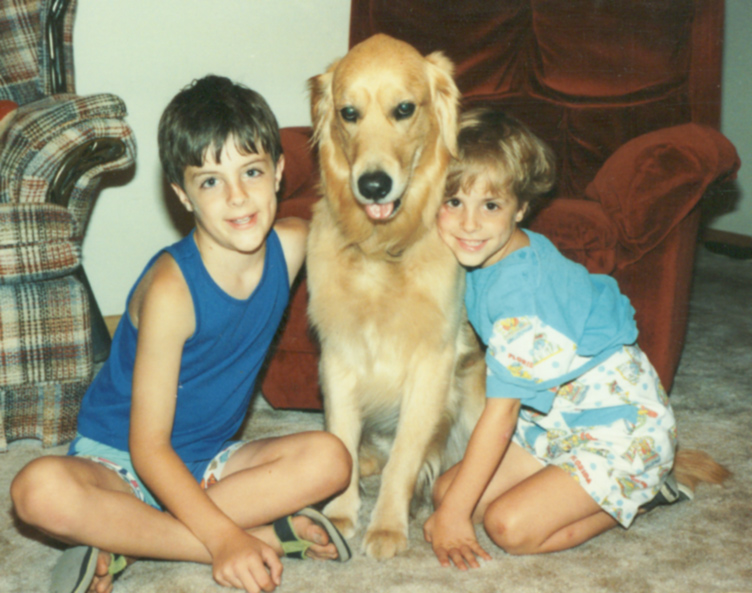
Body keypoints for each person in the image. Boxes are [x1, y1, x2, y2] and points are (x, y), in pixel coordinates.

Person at [11, 75, 352, 593]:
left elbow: (365, 245)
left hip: (209, 461)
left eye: (252, 171)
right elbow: (147, 449)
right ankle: (257, 536)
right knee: (36, 491)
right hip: (120, 460)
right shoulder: (173, 291)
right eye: (211, 181)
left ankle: (127, 540)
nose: (238, 197)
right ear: (183, 195)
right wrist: (223, 540)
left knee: (331, 460)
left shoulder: (293, 244)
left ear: (280, 172)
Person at [423, 108, 683, 570]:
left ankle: (643, 496)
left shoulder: (522, 301)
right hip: (551, 425)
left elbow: (500, 413)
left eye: (490, 205)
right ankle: (565, 485)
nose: (468, 224)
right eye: (453, 202)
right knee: (446, 490)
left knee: (509, 528)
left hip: (616, 432)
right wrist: (453, 506)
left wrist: (454, 517)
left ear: (521, 208)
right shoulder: (490, 254)